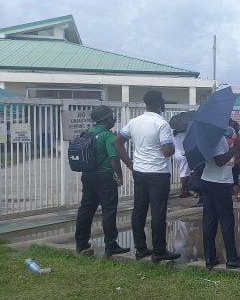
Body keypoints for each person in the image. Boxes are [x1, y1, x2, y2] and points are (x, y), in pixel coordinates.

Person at [113, 90, 180, 262]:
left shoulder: (135, 122)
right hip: (158, 174)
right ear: (158, 103)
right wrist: (172, 147)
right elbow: (167, 152)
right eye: (163, 100)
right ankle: (159, 251)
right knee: (158, 213)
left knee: (139, 210)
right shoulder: (162, 124)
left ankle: (141, 248)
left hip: (140, 172)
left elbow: (117, 141)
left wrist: (129, 164)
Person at [74, 106, 129, 256]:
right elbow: (114, 158)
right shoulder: (107, 135)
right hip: (105, 178)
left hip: (87, 176)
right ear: (105, 119)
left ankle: (81, 243)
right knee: (109, 209)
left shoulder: (87, 133)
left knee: (86, 210)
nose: (113, 119)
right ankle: (111, 245)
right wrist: (119, 175)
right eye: (111, 117)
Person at [201, 126, 240, 269]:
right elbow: (219, 160)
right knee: (227, 221)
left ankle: (209, 257)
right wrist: (235, 149)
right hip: (219, 183)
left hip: (208, 180)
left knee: (209, 221)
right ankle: (231, 258)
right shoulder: (216, 138)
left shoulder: (206, 135)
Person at [173, 129, 191, 198]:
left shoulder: (175, 135)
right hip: (184, 154)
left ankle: (186, 190)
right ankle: (183, 192)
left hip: (177, 154)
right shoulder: (186, 133)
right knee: (184, 174)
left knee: (183, 172)